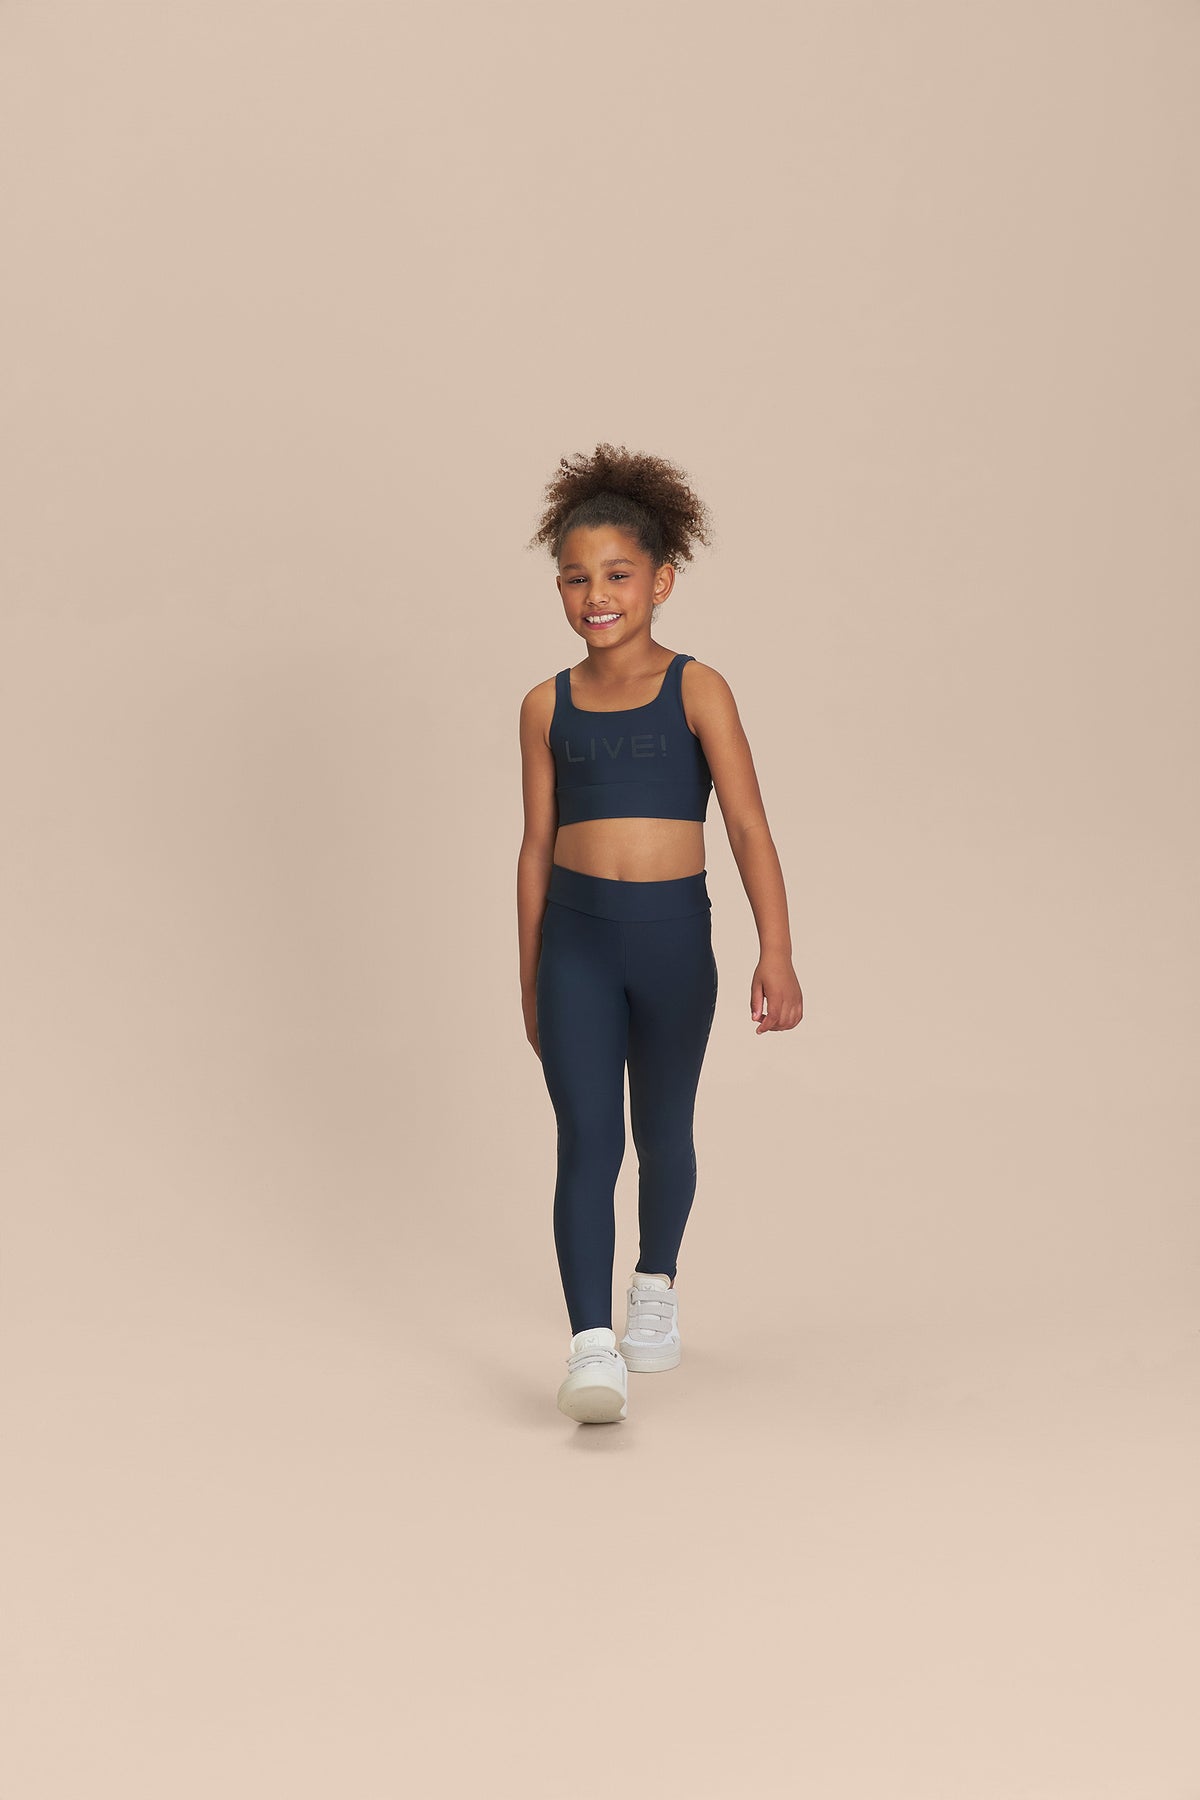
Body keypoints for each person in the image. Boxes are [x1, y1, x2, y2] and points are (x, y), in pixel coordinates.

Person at [517, 443, 804, 1424]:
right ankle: (590, 1348)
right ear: (560, 588)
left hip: (675, 942)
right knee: (586, 1138)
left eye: (617, 575)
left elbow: (748, 825)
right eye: (576, 578)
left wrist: (776, 949)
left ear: (661, 581)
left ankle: (654, 1287)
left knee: (662, 1129)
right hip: (576, 948)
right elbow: (534, 847)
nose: (596, 596)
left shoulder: (697, 688)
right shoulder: (545, 705)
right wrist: (529, 976)